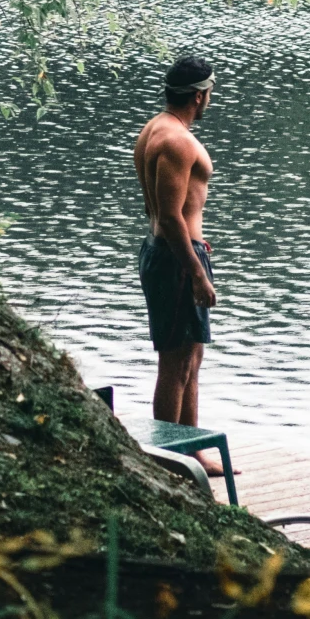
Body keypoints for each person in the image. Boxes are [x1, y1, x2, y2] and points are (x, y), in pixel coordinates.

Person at [133, 54, 232, 474]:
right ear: (198, 96)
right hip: (177, 260)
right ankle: (169, 460)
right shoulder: (176, 141)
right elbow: (172, 215)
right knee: (175, 365)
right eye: (209, 94)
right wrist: (194, 271)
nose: (210, 100)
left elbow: (155, 208)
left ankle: (190, 449)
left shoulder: (154, 128)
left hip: (174, 253)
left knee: (191, 358)